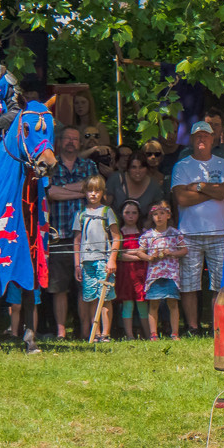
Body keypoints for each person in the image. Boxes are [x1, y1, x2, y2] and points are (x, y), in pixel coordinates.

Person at [171, 119, 224, 333]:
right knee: (189, 284)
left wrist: (198, 186)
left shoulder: (223, 164)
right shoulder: (182, 165)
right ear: (191, 139)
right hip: (189, 233)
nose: (202, 138)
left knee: (219, 283)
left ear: (212, 138)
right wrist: (211, 191)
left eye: (206, 135)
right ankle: (193, 327)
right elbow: (181, 199)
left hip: (219, 232)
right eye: (198, 135)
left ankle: (219, 326)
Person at [44, 125, 98, 339]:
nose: (71, 142)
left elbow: (94, 190)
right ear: (59, 142)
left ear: (80, 143)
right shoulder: (50, 166)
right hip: (58, 234)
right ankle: (61, 331)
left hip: (86, 237)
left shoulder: (89, 164)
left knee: (84, 285)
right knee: (59, 287)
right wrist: (80, 189)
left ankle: (84, 330)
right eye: (67, 138)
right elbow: (49, 192)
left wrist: (62, 190)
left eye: (75, 139)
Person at [75, 175, 120, 342]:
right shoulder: (81, 213)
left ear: (102, 192)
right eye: (90, 190)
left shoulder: (107, 211)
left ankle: (106, 334)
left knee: (105, 297)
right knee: (91, 297)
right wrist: (77, 265)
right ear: (85, 192)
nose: (93, 194)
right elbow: (77, 241)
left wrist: (112, 259)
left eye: (97, 191)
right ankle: (95, 332)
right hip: (86, 261)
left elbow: (116, 237)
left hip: (103, 260)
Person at [139, 201, 187, 339]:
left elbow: (184, 250)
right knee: (153, 303)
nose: (158, 217)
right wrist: (149, 257)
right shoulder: (148, 235)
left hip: (171, 274)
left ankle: (175, 333)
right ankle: (153, 334)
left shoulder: (175, 233)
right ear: (151, 217)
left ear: (168, 215)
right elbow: (140, 252)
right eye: (155, 214)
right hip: (155, 274)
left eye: (161, 213)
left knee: (172, 302)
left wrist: (171, 253)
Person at [114, 199, 147, 339]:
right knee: (127, 304)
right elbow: (118, 254)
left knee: (142, 303)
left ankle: (149, 333)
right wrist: (138, 254)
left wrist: (131, 253)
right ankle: (129, 335)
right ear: (122, 214)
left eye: (134, 213)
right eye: (127, 213)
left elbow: (147, 251)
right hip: (125, 274)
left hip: (142, 273)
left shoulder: (144, 232)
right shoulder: (118, 233)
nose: (131, 216)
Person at [107, 149, 163, 218]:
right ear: (128, 169)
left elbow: (157, 212)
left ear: (147, 168)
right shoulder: (115, 179)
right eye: (134, 167)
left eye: (141, 167)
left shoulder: (154, 186)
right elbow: (105, 206)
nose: (137, 171)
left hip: (143, 227)